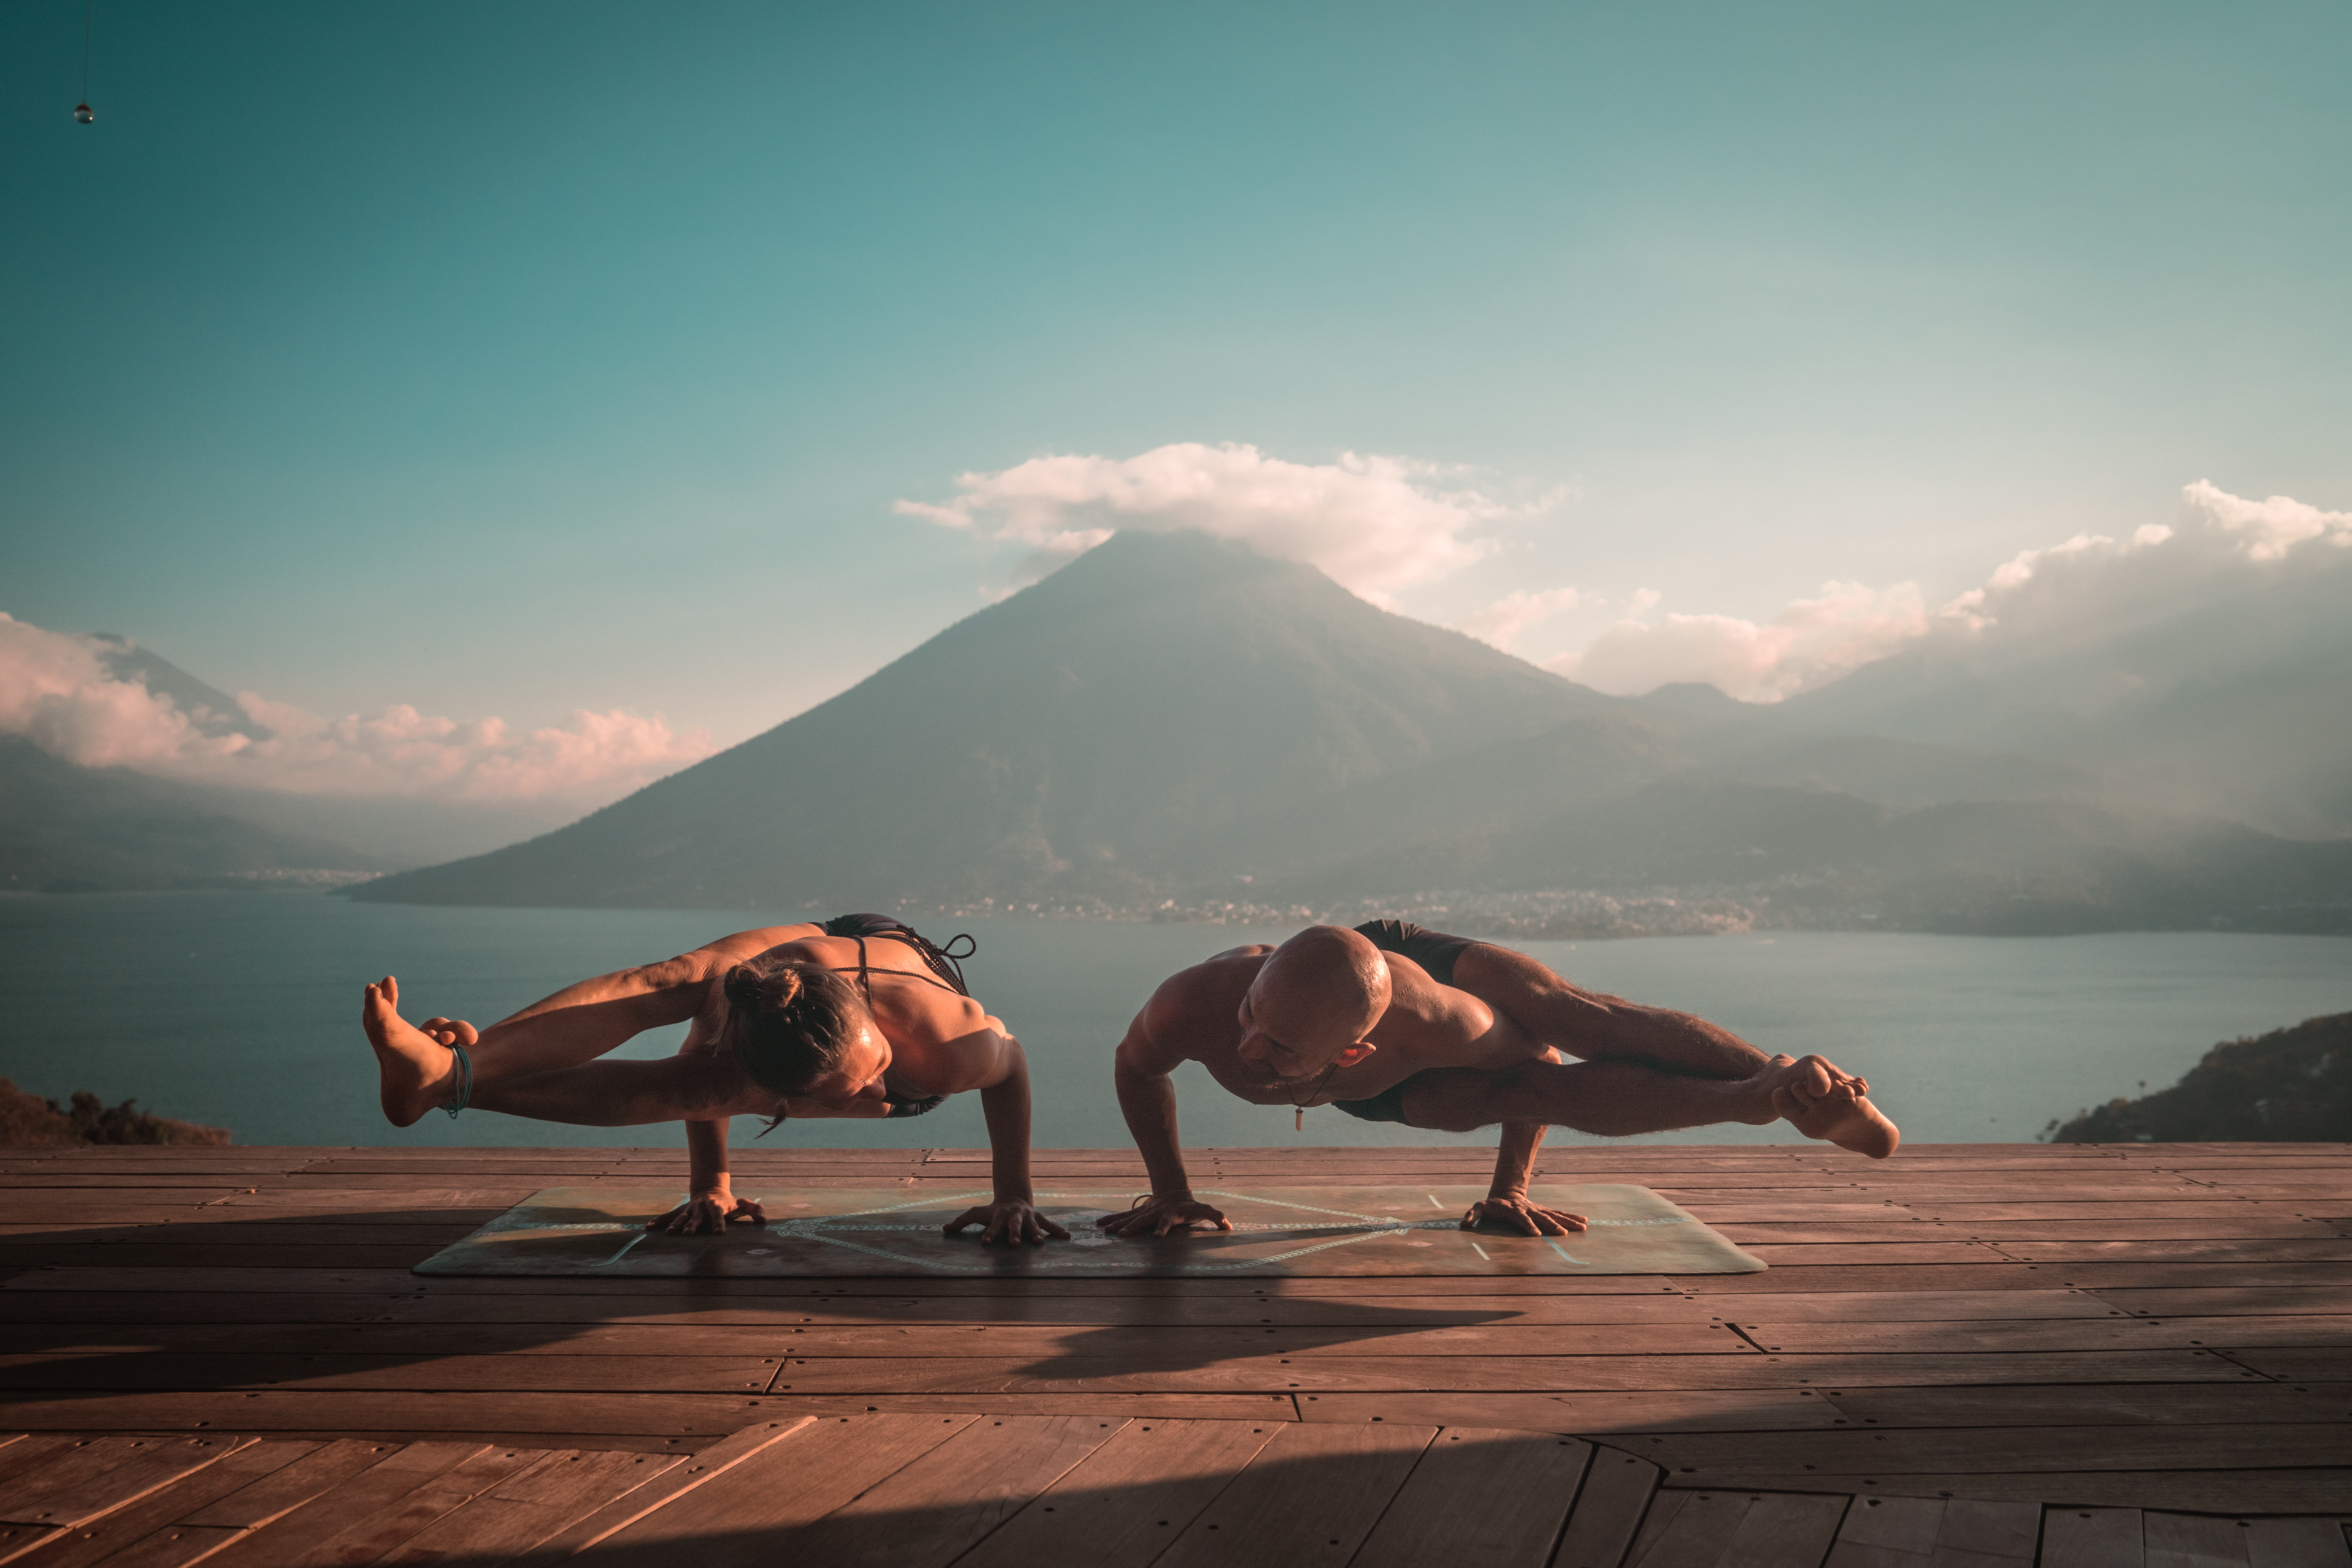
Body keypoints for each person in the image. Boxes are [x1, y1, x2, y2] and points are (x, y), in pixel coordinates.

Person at [1099, 920, 1899, 1240]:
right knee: (1454, 1104)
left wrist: (1510, 1189)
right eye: (1249, 1015)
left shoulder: (1443, 1024)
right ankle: (1770, 1092)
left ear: (1351, 1056)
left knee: (1575, 1021)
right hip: (1340, 997)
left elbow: (1541, 1064)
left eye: (1275, 1047)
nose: (1244, 1048)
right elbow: (1135, 1069)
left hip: (1418, 988)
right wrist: (1170, 1191)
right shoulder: (1190, 1005)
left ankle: (1777, 1090)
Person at [361, 914, 1068, 1246]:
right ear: (782, 1093)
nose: (875, 1094)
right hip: (788, 982)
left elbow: (1013, 1068)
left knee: (701, 1084)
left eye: (872, 1069)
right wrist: (712, 1184)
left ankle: (454, 1080)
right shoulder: (735, 1014)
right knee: (679, 983)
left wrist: (1014, 1195)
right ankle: (449, 1069)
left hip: (863, 961)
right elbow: (699, 1061)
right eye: (850, 1094)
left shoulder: (946, 1047)